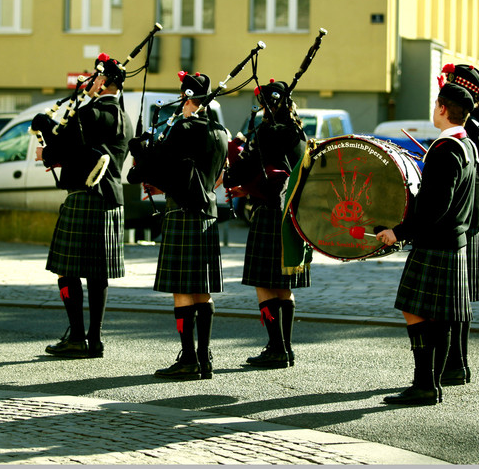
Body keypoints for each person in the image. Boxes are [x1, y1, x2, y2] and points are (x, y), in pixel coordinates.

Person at [375, 82, 476, 406]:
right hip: (454, 240)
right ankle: (430, 384)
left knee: (414, 309)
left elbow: (435, 206)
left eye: (436, 106)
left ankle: (424, 384)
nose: (434, 110)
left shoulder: (446, 150)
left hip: (435, 242)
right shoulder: (467, 145)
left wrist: (398, 232)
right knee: (440, 316)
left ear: (442, 108)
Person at [127, 71, 230, 380]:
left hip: (182, 214)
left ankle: (187, 358)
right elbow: (207, 174)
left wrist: (139, 151)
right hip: (208, 212)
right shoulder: (221, 132)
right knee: (202, 291)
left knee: (182, 291)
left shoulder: (182, 129)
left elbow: (146, 169)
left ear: (187, 98)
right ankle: (204, 357)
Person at [33, 53, 133, 359]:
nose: (91, 81)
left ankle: (76, 336)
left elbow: (64, 146)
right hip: (112, 200)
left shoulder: (90, 114)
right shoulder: (125, 119)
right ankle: (95, 338)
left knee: (66, 270)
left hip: (84, 196)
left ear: (103, 81)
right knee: (97, 273)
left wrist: (45, 128)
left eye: (95, 77)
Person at [224, 79, 311, 368]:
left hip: (269, 212)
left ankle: (275, 348)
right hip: (292, 214)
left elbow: (244, 169)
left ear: (266, 105)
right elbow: (277, 171)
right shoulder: (298, 133)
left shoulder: (266, 132)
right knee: (283, 284)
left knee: (264, 283)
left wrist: (235, 174)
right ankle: (285, 348)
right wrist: (247, 188)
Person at [436, 64, 479, 386]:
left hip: (459, 219)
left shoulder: (471, 129)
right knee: (461, 298)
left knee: (452, 300)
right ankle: (458, 364)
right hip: (476, 218)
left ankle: (454, 364)